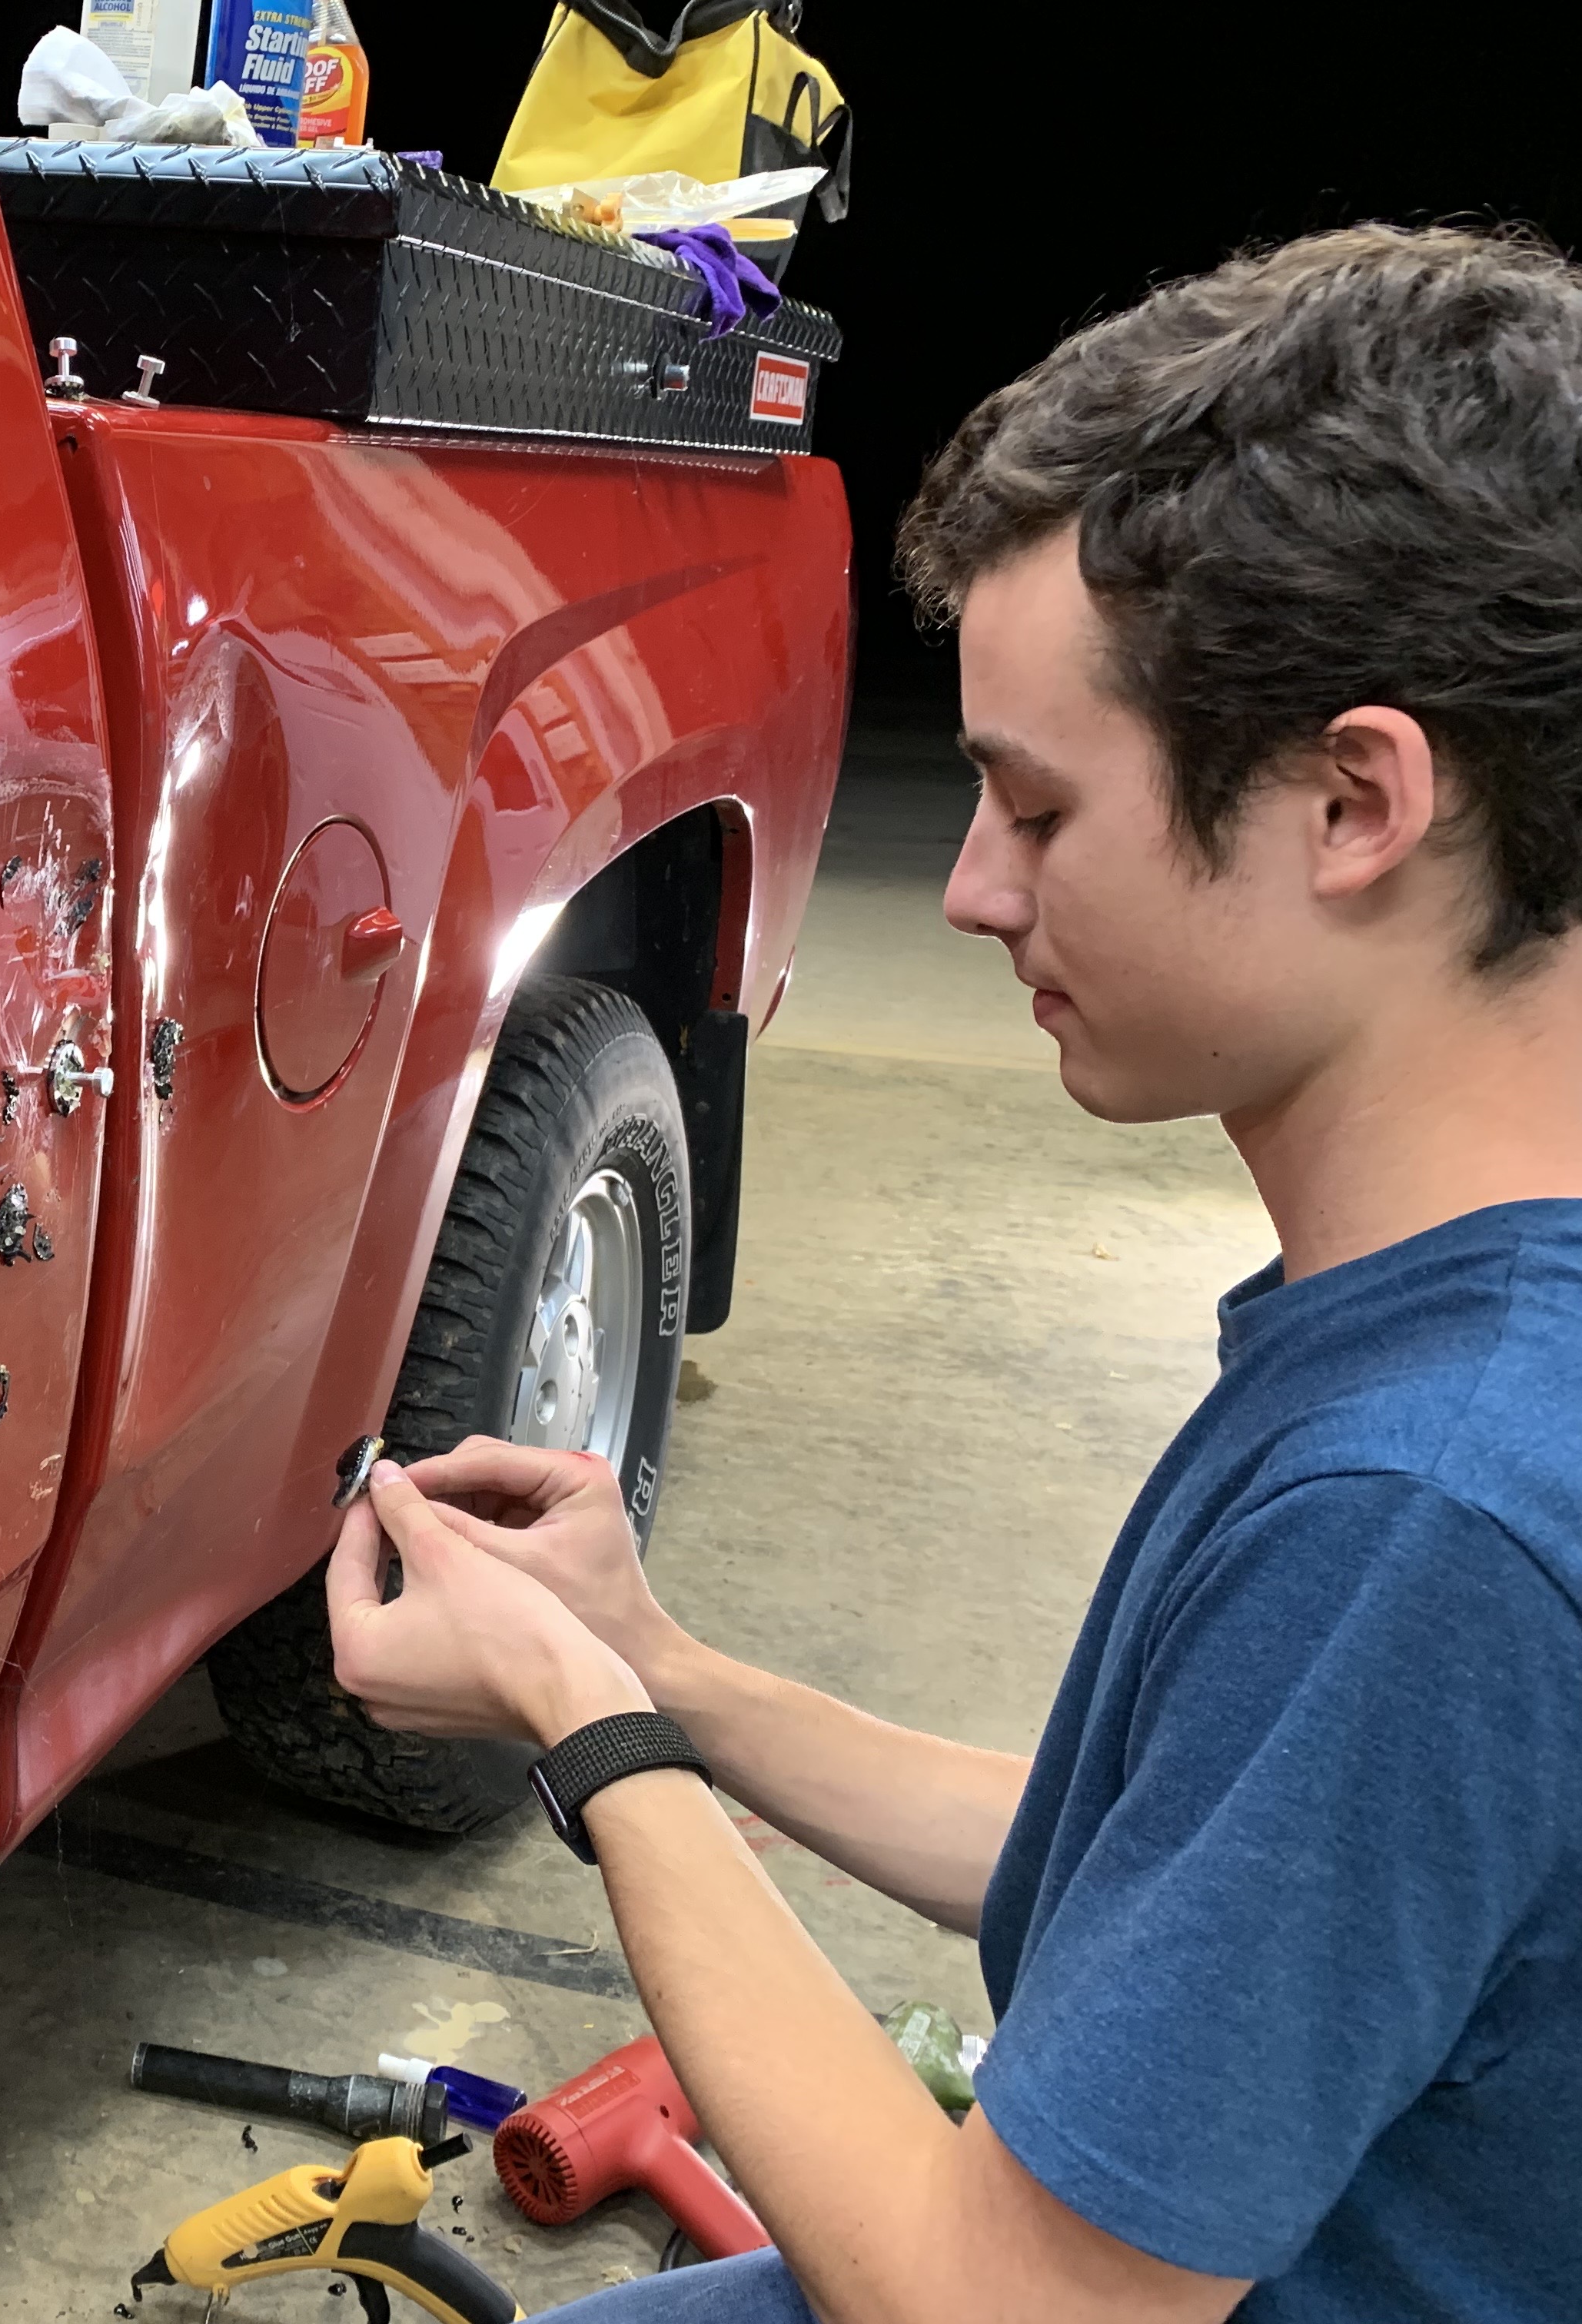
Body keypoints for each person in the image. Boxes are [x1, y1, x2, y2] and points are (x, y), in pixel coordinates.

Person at [325, 224, 1582, 2323]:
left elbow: (1010, 2305)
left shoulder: (1427, 1510)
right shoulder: (1461, 1340)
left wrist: (582, 1736)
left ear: (1357, 801)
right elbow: (1171, 1883)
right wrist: (661, 1669)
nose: (977, 886)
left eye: (1035, 802)